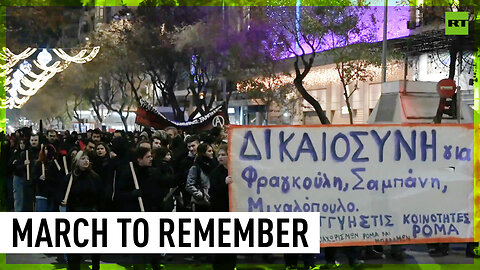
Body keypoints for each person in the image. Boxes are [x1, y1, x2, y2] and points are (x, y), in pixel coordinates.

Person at [59, 151, 102, 270]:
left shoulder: (94, 177)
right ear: (77, 161)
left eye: (87, 158)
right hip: (74, 214)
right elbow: (60, 194)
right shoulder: (70, 178)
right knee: (74, 252)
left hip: (91, 214)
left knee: (95, 249)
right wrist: (61, 200)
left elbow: (100, 196)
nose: (86, 161)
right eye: (83, 158)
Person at [209, 144, 237, 270]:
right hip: (220, 211)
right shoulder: (216, 172)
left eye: (223, 155)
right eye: (218, 155)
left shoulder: (236, 171)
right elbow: (213, 192)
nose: (220, 157)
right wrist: (224, 184)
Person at [186, 143, 216, 212]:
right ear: (203, 153)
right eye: (209, 151)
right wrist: (200, 195)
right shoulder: (196, 167)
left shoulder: (215, 165)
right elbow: (189, 185)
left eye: (212, 151)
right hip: (201, 203)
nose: (211, 153)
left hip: (214, 201)